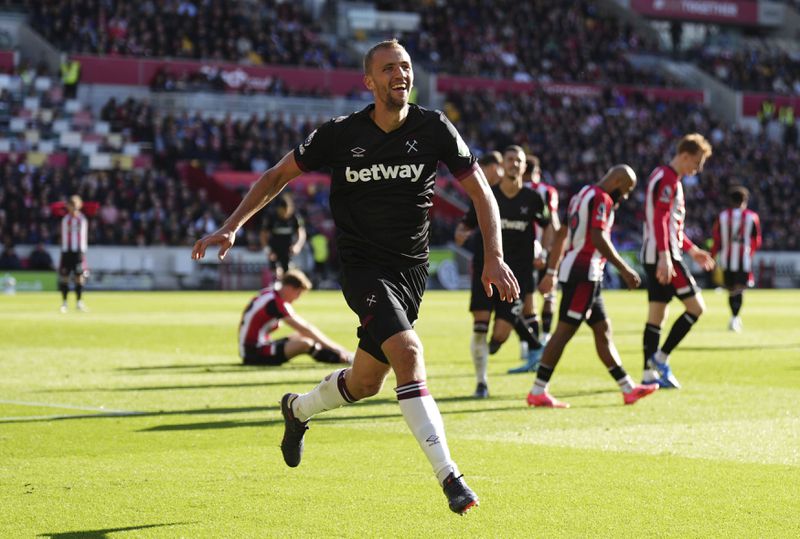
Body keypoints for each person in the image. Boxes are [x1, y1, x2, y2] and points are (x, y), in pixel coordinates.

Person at [192, 39, 519, 515]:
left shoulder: (435, 128)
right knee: (408, 353)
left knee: (367, 382)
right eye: (388, 69)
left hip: (411, 273)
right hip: (363, 270)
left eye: (405, 66)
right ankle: (451, 477)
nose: (399, 74)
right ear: (369, 81)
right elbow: (277, 175)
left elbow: (482, 194)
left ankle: (297, 410)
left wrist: (494, 255)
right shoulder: (340, 134)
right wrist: (232, 224)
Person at [527, 165, 659, 408]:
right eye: (627, 189)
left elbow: (562, 234)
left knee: (603, 330)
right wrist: (625, 268)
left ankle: (628, 388)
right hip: (583, 273)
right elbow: (598, 237)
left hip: (583, 272)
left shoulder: (581, 195)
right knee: (564, 331)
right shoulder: (601, 198)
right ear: (618, 181)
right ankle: (538, 390)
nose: (626, 195)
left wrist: (552, 271)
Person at [455, 146, 553, 397]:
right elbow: (464, 225)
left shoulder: (533, 199)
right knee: (480, 326)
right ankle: (481, 382)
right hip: (485, 270)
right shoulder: (486, 195)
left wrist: (544, 250)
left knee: (499, 335)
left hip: (516, 276)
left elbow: (549, 225)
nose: (513, 164)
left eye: (518, 161)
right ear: (503, 165)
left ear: (523, 167)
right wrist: (461, 232)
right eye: (509, 160)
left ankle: (492, 353)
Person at [640, 134, 715, 389]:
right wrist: (665, 257)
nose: (698, 169)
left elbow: (672, 226)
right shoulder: (669, 180)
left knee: (657, 315)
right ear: (684, 156)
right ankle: (660, 359)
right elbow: (660, 220)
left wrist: (693, 251)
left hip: (658, 253)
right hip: (664, 255)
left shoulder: (665, 177)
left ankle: (648, 375)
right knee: (696, 308)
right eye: (696, 163)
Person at [239, 269, 352, 366]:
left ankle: (342, 355)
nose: (297, 298)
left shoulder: (270, 294)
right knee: (305, 343)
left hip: (251, 347)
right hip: (254, 352)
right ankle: (341, 358)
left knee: (302, 336)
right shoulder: (276, 303)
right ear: (289, 288)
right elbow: (305, 328)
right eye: (298, 293)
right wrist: (337, 348)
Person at [711, 186, 762, 332]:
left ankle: (733, 318)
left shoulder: (722, 216)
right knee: (740, 289)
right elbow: (757, 240)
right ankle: (735, 318)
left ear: (731, 201)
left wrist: (714, 255)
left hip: (727, 259)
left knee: (731, 289)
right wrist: (749, 252)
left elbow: (716, 238)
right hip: (743, 259)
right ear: (744, 201)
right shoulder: (752, 217)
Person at [525, 154, 560, 348]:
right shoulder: (547, 191)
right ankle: (545, 336)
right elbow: (552, 223)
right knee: (549, 294)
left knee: (525, 297)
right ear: (537, 172)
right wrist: (550, 252)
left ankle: (528, 342)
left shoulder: (517, 188)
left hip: (521, 249)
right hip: (545, 249)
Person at [260, 194, 306, 281]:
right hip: (274, 247)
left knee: (287, 270)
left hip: (288, 248)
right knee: (275, 270)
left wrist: (297, 246)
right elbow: (263, 234)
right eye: (283, 210)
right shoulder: (271, 217)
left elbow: (301, 233)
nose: (285, 213)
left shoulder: (295, 217)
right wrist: (267, 250)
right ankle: (275, 286)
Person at [59, 195, 89, 313]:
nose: (74, 209)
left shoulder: (82, 219)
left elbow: (83, 236)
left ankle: (79, 302)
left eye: (76, 207)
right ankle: (64, 303)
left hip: (78, 252)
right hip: (67, 251)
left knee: (79, 277)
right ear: (68, 207)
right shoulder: (66, 220)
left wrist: (83, 251)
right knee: (65, 277)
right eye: (72, 206)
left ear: (79, 206)